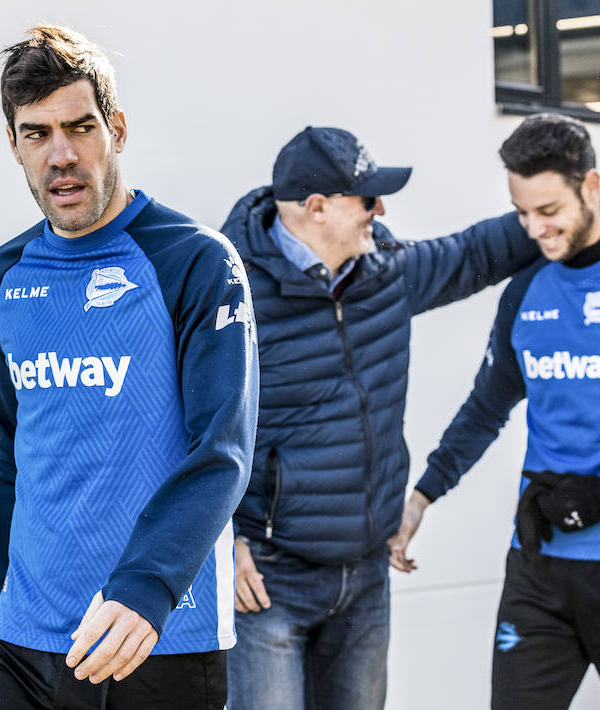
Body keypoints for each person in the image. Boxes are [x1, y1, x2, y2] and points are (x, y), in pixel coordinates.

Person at [0, 25, 258, 710]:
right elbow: (0, 457)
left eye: (80, 127)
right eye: (36, 134)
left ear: (117, 129)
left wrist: (146, 588)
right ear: (14, 146)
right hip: (26, 638)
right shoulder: (4, 275)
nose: (61, 156)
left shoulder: (195, 262)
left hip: (154, 637)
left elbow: (223, 452)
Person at [390, 113, 600, 709]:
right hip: (538, 566)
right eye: (522, 213)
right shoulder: (527, 291)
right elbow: (487, 407)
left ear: (591, 187)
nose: (535, 229)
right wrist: (422, 496)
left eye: (550, 211)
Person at [219, 125, 546, 710]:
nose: (382, 208)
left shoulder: (385, 272)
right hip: (269, 583)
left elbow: (476, 252)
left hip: (367, 574)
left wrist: (562, 209)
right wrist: (224, 540)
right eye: (366, 199)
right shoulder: (229, 293)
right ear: (315, 207)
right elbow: (181, 424)